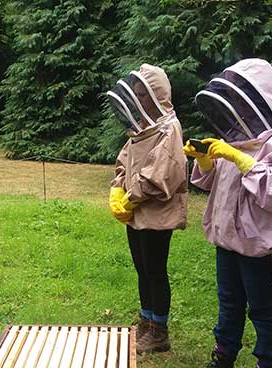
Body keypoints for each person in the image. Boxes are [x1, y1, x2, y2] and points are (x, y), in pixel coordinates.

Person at [184, 58, 272, 368]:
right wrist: (205, 160)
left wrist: (242, 160)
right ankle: (223, 355)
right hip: (228, 238)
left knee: (263, 309)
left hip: (261, 242)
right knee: (229, 303)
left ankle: (269, 361)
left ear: (261, 97)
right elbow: (216, 183)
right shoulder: (237, 134)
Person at [107, 63, 188, 354]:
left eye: (143, 95)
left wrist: (131, 197)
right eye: (137, 95)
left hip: (156, 213)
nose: (139, 100)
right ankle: (146, 320)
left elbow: (161, 174)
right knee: (141, 268)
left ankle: (159, 332)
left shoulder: (170, 128)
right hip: (137, 212)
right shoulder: (141, 128)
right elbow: (124, 160)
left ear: (156, 94)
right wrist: (118, 186)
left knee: (155, 270)